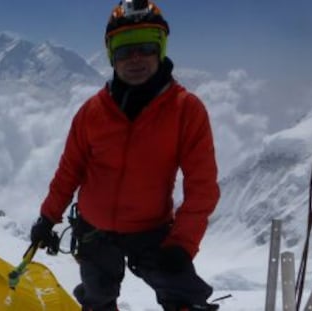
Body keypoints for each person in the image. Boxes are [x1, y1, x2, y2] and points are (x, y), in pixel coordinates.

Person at [30, 1, 220, 310]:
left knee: (185, 299)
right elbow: (70, 170)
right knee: (97, 299)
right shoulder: (92, 112)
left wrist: (183, 244)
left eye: (145, 46)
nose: (135, 59)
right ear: (111, 56)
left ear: (160, 48)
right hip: (94, 230)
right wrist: (47, 217)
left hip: (151, 229)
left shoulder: (186, 110)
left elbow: (202, 186)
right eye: (123, 50)